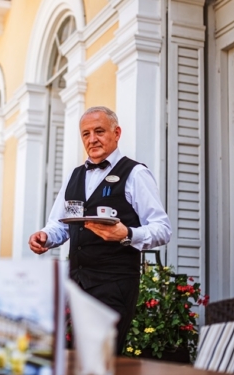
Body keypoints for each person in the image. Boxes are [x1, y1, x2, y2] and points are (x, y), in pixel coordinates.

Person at [28, 106, 171, 354]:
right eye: (86, 134)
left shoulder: (135, 174)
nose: (92, 139)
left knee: (102, 357)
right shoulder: (74, 176)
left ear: (117, 133)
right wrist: (45, 237)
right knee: (68, 356)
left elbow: (162, 229)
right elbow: (60, 224)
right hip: (76, 283)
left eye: (99, 131)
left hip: (114, 285)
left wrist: (127, 234)